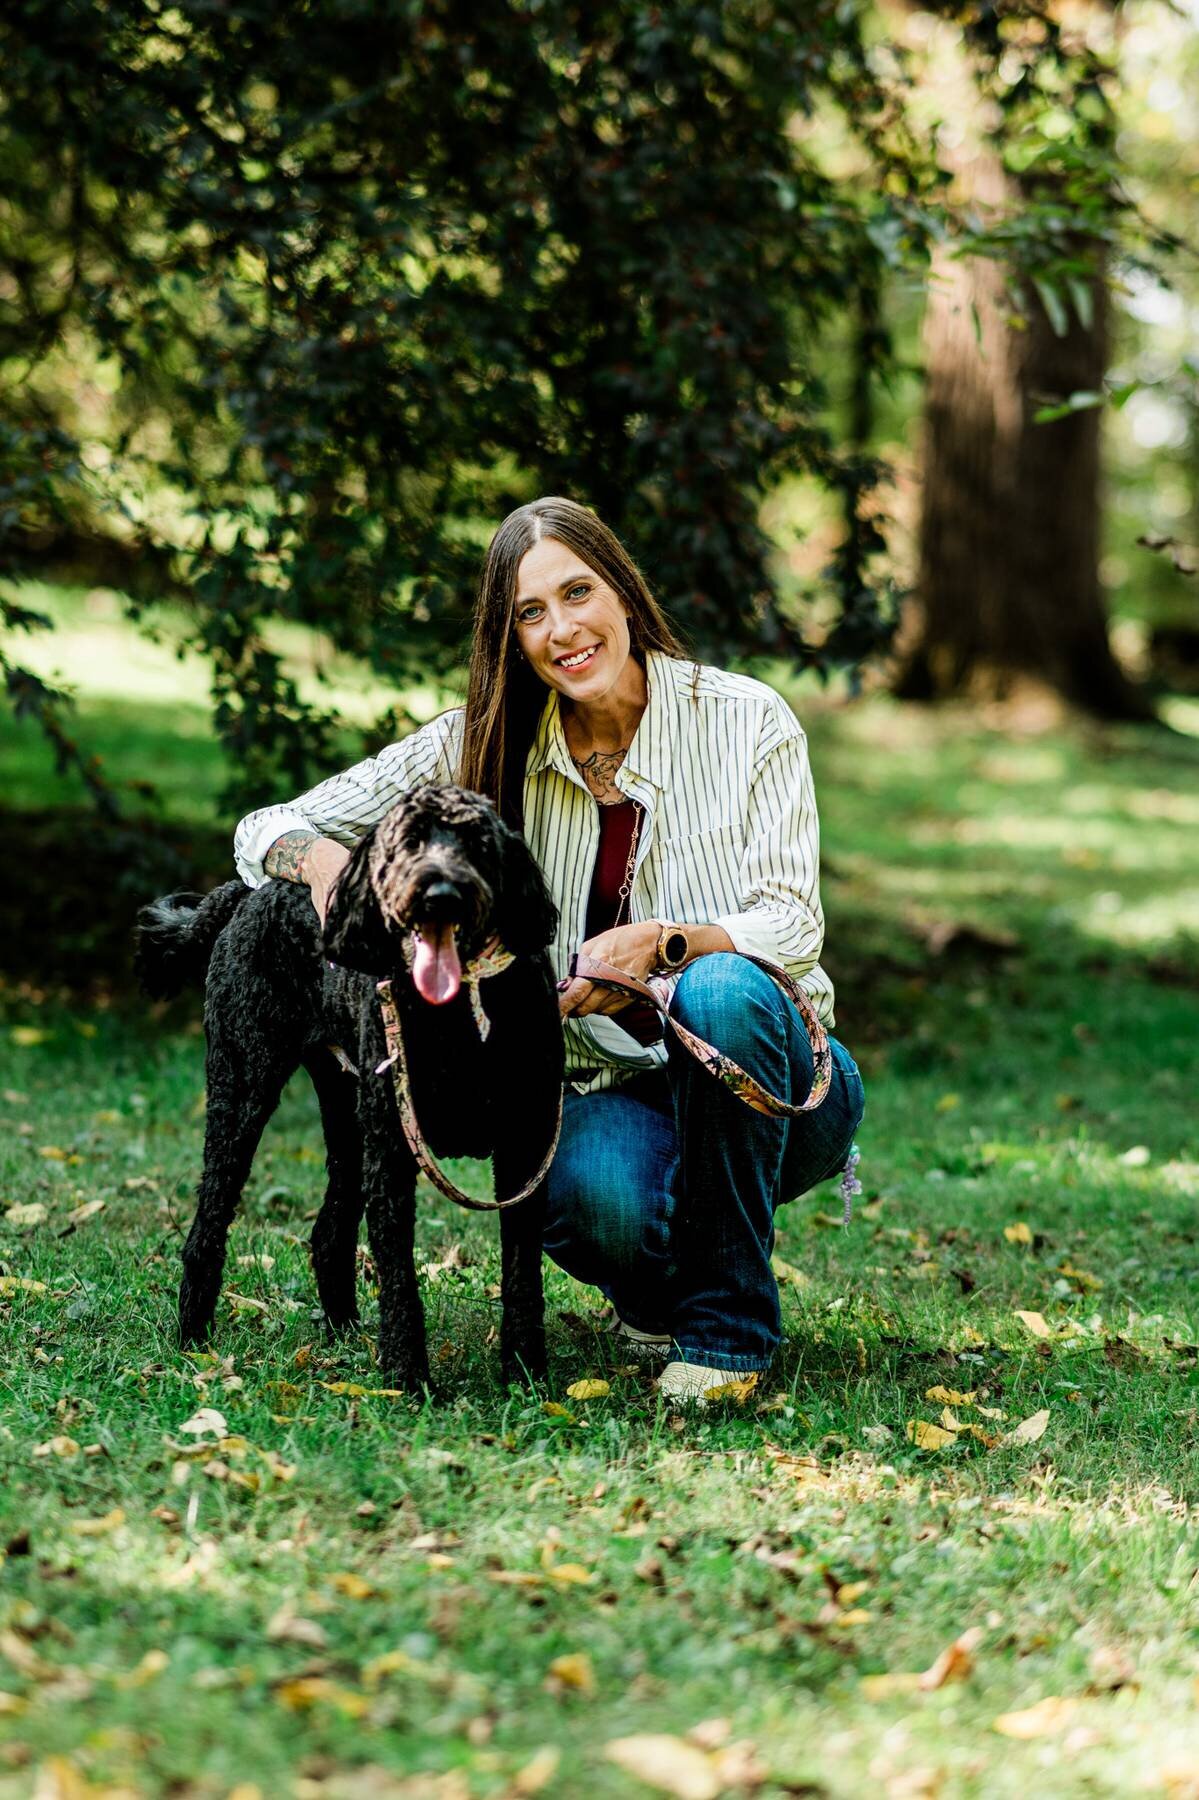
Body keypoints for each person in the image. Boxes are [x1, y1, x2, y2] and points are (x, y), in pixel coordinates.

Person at [234, 496, 865, 1403]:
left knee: (720, 988)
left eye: (578, 593)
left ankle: (727, 1337)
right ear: (510, 634)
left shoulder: (745, 719)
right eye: (530, 612)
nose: (562, 629)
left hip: (771, 1079)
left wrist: (665, 948)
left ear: (622, 592)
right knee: (571, 1193)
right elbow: (265, 829)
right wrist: (333, 861)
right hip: (602, 1087)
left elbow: (793, 924)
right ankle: (659, 1294)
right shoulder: (478, 742)